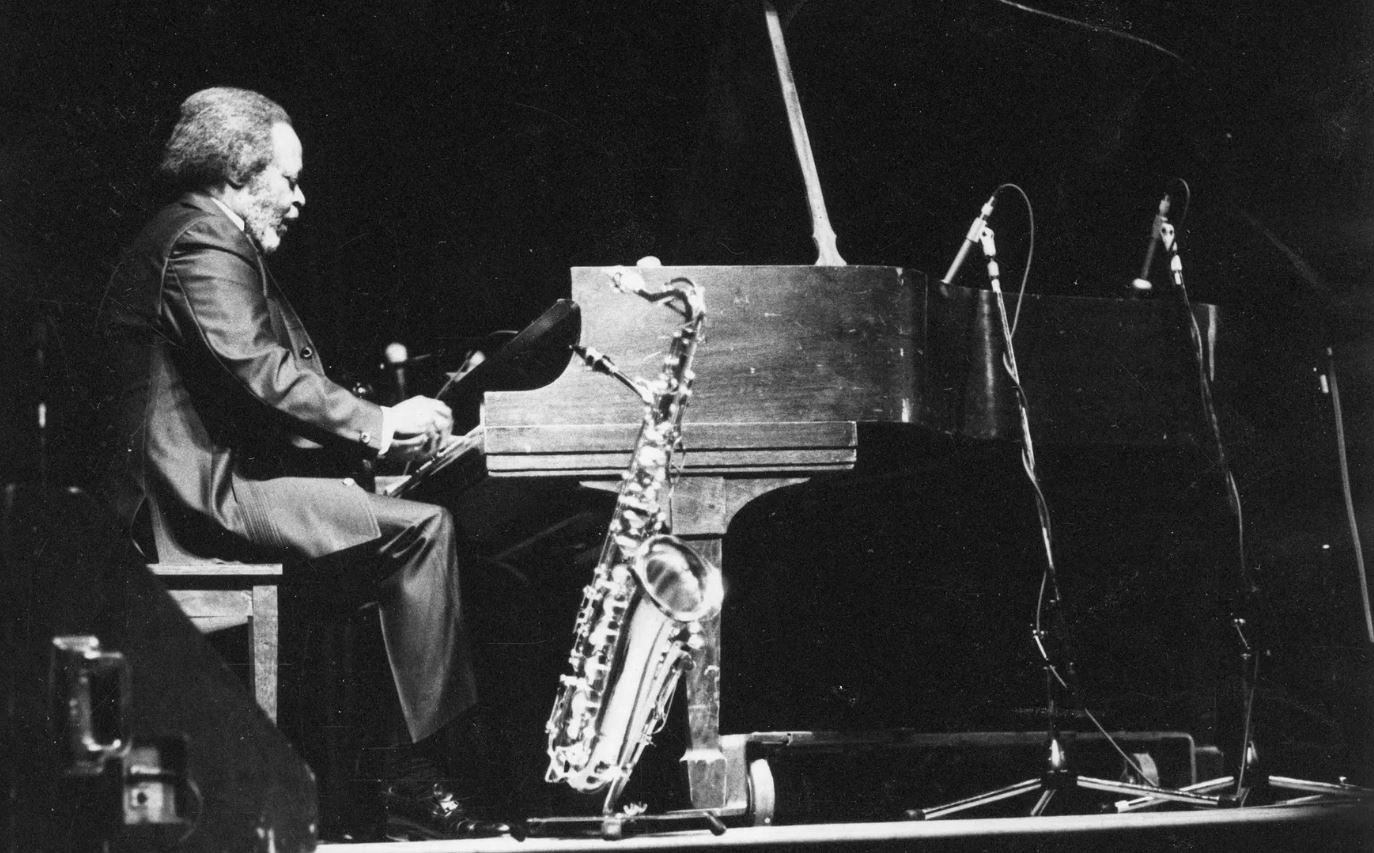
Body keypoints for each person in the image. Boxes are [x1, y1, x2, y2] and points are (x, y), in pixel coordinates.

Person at [98, 87, 489, 839]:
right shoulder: (203, 238)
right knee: (423, 532)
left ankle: (365, 786)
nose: (300, 199)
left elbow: (248, 392)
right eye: (290, 178)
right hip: (195, 498)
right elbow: (261, 372)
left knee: (384, 535)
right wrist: (381, 425)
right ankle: (415, 781)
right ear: (237, 172)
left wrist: (373, 447)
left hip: (209, 482)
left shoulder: (192, 233)